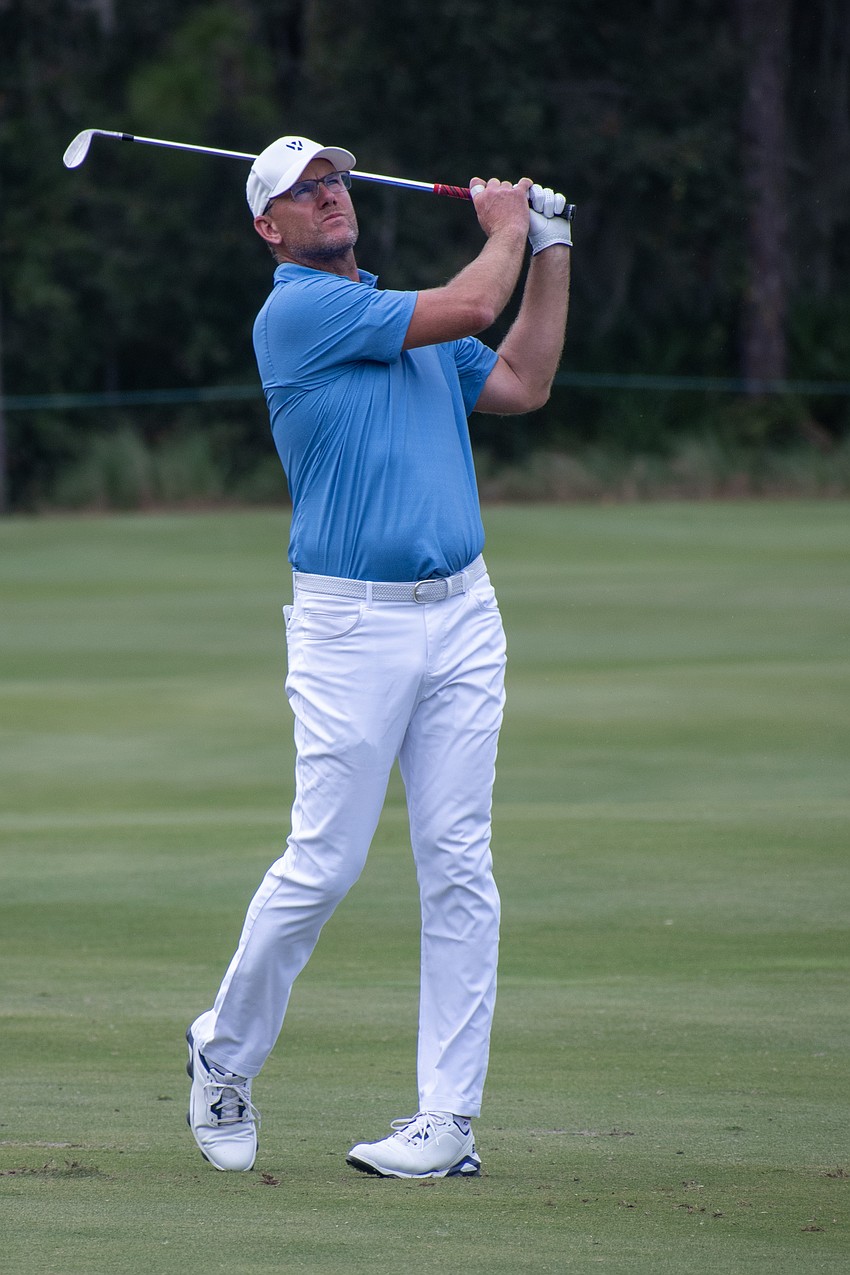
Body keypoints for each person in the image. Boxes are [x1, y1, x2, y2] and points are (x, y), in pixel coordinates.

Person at [186, 134, 571, 1179]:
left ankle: (446, 1122)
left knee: (460, 867)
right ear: (270, 228)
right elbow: (468, 307)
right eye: (301, 192)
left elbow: (525, 380)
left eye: (334, 180)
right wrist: (504, 231)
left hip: (463, 614)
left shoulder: (404, 313)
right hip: (351, 627)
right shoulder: (300, 312)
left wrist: (552, 244)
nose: (328, 196)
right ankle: (222, 1055)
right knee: (325, 863)